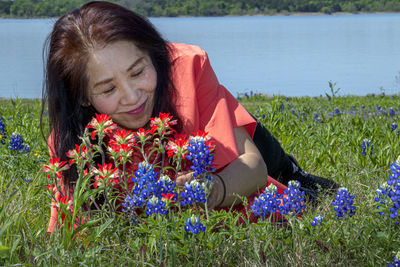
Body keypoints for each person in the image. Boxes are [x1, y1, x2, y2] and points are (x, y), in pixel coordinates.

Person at [42, 1, 337, 232]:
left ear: (152, 54)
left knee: (305, 192)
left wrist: (212, 189)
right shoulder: (72, 140)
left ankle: (294, 173)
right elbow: (69, 231)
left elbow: (252, 168)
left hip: (227, 150)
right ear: (82, 96)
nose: (132, 96)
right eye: (108, 88)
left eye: (138, 71)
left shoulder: (186, 66)